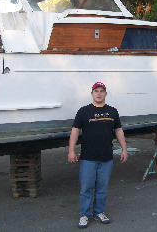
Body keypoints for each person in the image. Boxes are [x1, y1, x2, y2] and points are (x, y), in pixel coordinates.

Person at [68, 82, 128, 229]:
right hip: (88, 158)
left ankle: (99, 211)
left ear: (105, 94)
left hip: (106, 158)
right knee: (86, 188)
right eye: (96, 91)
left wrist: (124, 149)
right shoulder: (83, 111)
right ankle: (84, 214)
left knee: (102, 188)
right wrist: (71, 151)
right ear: (92, 93)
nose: (99, 94)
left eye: (102, 91)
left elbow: (118, 131)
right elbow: (75, 131)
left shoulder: (112, 111)